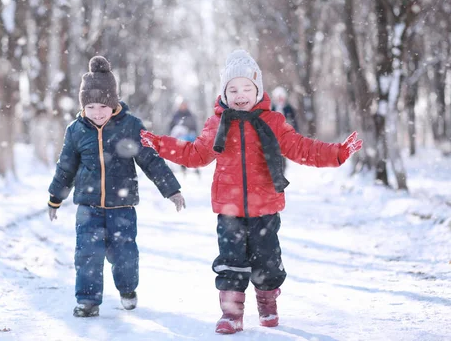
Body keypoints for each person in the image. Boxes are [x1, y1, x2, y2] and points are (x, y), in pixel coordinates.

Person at [140, 49, 362, 334]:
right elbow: (195, 154)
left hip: (266, 207)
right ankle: (231, 314)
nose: (240, 94)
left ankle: (268, 303)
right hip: (228, 209)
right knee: (231, 262)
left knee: (267, 261)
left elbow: (302, 148)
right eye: (233, 89)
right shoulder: (218, 124)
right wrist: (159, 143)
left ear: (258, 90)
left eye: (247, 87)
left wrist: (338, 153)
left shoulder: (273, 122)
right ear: (224, 93)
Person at [47, 56, 186, 318]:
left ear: (113, 104)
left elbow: (150, 160)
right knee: (87, 254)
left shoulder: (130, 126)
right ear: (82, 106)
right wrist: (55, 197)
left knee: (124, 255)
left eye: (103, 105)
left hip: (122, 206)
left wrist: (172, 190)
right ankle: (88, 300)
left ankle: (127, 288)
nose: (97, 112)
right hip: (88, 206)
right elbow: (66, 167)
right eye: (90, 106)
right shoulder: (76, 131)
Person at [168, 100, 200, 176]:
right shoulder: (175, 115)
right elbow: (171, 127)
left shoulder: (190, 115)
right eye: (182, 105)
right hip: (179, 137)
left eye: (184, 105)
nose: (183, 106)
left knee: (191, 149)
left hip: (189, 136)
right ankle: (183, 165)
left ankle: (194, 166)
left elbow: (194, 127)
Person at [271, 86, 299, 172]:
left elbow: (294, 121)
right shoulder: (272, 108)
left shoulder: (288, 108)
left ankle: (283, 168)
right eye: (278, 98)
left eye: (281, 98)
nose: (280, 100)